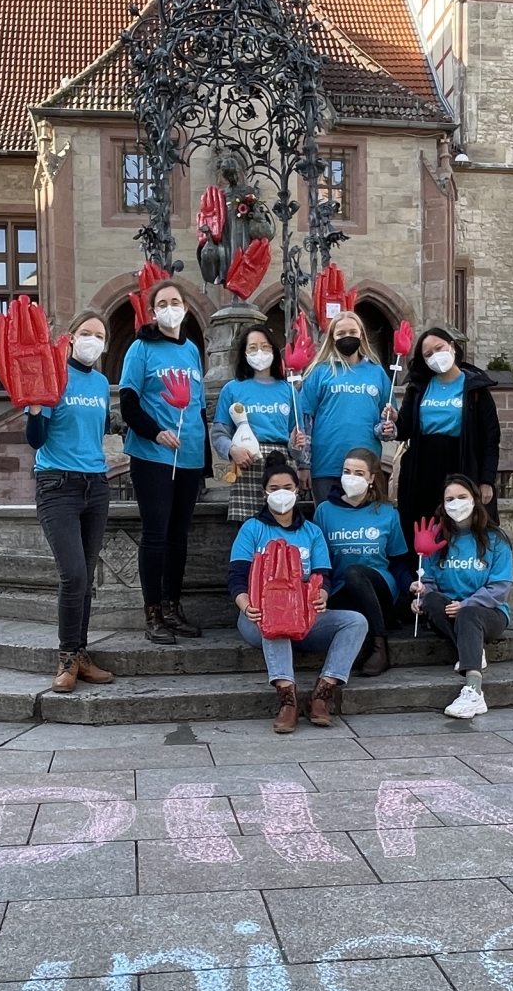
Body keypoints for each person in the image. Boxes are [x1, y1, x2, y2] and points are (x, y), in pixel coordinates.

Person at [228, 451, 368, 734]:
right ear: (264, 493)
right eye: (274, 489)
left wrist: (323, 596)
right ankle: (287, 700)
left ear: (298, 490)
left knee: (356, 621)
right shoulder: (252, 529)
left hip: (304, 614)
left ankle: (322, 694)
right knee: (275, 622)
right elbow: (236, 577)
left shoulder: (312, 532)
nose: (282, 494)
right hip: (258, 615)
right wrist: (245, 605)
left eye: (288, 488)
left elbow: (323, 576)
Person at [26, 309, 115, 693]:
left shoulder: (100, 383)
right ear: (71, 337)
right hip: (56, 485)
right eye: (86, 333)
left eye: (100, 335)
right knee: (73, 575)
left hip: (95, 485)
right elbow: (35, 438)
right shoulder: (53, 375)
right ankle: (66, 656)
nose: (93, 340)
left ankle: (80, 655)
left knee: (87, 577)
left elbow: (98, 430)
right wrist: (33, 408)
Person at [119, 280, 208, 645]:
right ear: (153, 312)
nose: (170, 308)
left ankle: (173, 606)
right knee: (155, 534)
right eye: (162, 303)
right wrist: (155, 432)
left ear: (185, 308)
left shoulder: (191, 350)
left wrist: (205, 465)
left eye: (176, 301)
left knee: (179, 536)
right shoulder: (140, 349)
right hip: (153, 455)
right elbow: (128, 404)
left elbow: (199, 408)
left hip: (188, 456)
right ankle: (153, 611)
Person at [411, 475, 513, 719]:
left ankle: (474, 690)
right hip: (449, 609)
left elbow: (500, 588)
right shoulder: (439, 540)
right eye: (450, 499)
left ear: (475, 500)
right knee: (432, 601)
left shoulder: (495, 539)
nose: (456, 503)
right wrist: (421, 593)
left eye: (462, 497)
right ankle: (472, 648)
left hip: (489, 612)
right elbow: (430, 581)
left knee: (469, 614)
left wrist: (467, 604)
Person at [314, 447, 411, 677]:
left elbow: (398, 561)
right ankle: (375, 624)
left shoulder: (387, 513)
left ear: (371, 478)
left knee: (354, 572)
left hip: (381, 585)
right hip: (339, 589)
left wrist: (410, 586)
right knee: (348, 577)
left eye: (359, 473)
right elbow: (319, 560)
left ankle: (380, 646)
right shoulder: (324, 512)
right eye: (347, 471)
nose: (351, 477)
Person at [394, 326, 500, 535]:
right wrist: (394, 421)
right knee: (423, 527)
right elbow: (403, 429)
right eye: (428, 354)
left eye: (439, 348)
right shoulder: (418, 387)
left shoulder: (475, 388)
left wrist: (487, 480)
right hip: (422, 468)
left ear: (452, 347)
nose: (435, 356)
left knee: (460, 525)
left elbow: (490, 438)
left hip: (461, 463)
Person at [210, 324, 306, 523]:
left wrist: (298, 449)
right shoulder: (232, 389)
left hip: (282, 465)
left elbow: (298, 441)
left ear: (273, 350)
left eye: (265, 346)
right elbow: (219, 433)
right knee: (248, 529)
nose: (259, 352)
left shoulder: (289, 391)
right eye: (253, 348)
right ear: (244, 353)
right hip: (247, 464)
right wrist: (232, 451)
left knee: (282, 525)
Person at [298, 311, 395, 505]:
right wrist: (303, 464)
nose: (347, 337)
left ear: (361, 335)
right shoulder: (319, 372)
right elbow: (305, 421)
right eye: (341, 333)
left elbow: (386, 421)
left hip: (366, 466)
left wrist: (388, 428)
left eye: (352, 331)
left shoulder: (377, 373)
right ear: (332, 338)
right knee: (328, 524)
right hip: (326, 464)